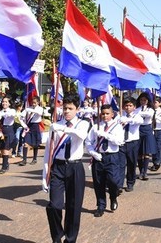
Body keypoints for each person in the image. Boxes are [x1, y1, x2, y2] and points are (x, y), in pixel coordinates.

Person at [42, 93, 90, 243]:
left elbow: (81, 135)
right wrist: (45, 176)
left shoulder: (83, 123)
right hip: (58, 167)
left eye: (70, 108)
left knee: (73, 207)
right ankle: (57, 237)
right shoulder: (56, 125)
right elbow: (48, 152)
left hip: (75, 168)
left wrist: (64, 130)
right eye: (64, 108)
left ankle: (70, 239)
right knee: (54, 205)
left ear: (77, 109)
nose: (67, 111)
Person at [86, 104, 125, 217]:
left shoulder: (117, 127)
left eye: (107, 113)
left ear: (112, 114)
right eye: (103, 113)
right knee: (99, 183)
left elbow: (119, 141)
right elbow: (88, 142)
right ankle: (101, 205)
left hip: (112, 157)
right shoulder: (95, 127)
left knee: (113, 181)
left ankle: (113, 197)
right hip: (99, 157)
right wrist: (93, 152)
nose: (105, 116)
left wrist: (105, 135)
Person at [119, 97, 142, 192]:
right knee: (120, 164)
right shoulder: (120, 115)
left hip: (133, 143)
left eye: (130, 105)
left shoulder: (137, 116)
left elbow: (139, 121)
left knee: (131, 163)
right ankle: (119, 184)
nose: (128, 107)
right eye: (126, 105)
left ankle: (130, 182)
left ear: (134, 107)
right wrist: (120, 119)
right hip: (121, 143)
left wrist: (127, 120)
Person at [136, 93, 157, 181]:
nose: (143, 102)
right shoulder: (137, 109)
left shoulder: (150, 110)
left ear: (148, 101)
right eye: (141, 100)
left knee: (146, 152)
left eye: (144, 100)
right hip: (139, 129)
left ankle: (145, 172)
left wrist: (141, 114)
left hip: (147, 129)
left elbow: (149, 115)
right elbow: (135, 115)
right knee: (139, 153)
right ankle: (141, 171)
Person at [0, 97, 17, 174]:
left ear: (9, 103)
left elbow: (11, 115)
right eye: (3, 101)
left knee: (5, 150)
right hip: (1, 130)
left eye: (6, 102)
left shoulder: (11, 111)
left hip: (8, 130)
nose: (4, 103)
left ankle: (3, 167)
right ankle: (6, 164)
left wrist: (1, 115)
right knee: (2, 149)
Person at [20, 96, 44, 166]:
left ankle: (34, 158)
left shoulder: (40, 109)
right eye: (32, 102)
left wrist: (30, 110)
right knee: (25, 143)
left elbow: (39, 113)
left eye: (35, 103)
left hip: (36, 126)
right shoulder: (28, 108)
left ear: (38, 103)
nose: (33, 104)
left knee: (35, 144)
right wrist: (24, 125)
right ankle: (24, 159)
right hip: (28, 126)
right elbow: (21, 117)